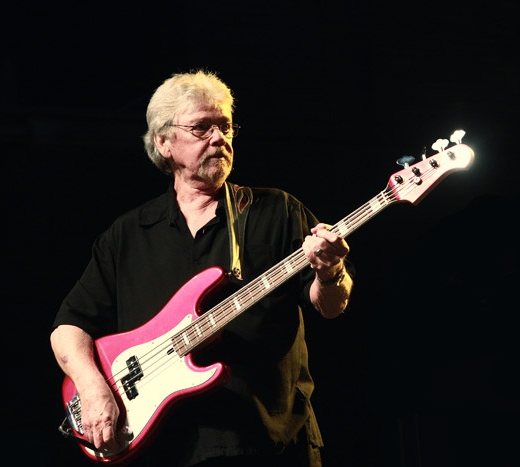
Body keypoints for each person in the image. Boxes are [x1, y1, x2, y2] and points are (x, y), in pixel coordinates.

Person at [50, 69, 354, 467]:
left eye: (225, 126)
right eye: (201, 128)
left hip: (269, 442)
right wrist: (93, 389)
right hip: (163, 451)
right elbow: (68, 328)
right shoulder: (127, 234)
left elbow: (330, 306)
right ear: (163, 142)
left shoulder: (277, 210)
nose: (219, 138)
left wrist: (330, 271)